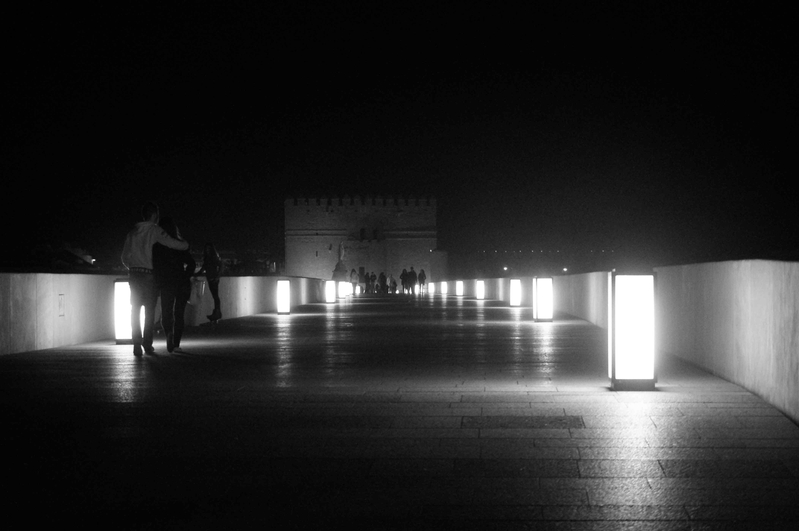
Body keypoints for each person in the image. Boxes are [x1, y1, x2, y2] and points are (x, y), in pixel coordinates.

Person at [121, 201, 189, 356]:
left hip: (134, 274)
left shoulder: (132, 233)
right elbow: (172, 243)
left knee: (135, 309)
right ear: (154, 215)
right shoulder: (154, 230)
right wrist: (185, 244)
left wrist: (132, 267)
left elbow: (124, 257)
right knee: (149, 311)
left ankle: (136, 344)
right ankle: (147, 344)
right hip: (149, 275)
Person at [153, 217, 195, 353]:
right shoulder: (179, 245)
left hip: (166, 282)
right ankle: (176, 343)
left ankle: (169, 334)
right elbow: (192, 263)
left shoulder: (157, 246)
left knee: (166, 312)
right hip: (181, 282)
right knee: (179, 313)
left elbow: (155, 266)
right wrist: (185, 276)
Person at [195, 243, 224, 322]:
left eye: (209, 249)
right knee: (215, 296)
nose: (207, 250)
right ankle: (217, 312)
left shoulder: (212, 258)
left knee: (215, 296)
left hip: (213, 279)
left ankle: (217, 312)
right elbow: (203, 269)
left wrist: (217, 277)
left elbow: (221, 266)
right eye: (206, 249)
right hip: (211, 278)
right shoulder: (209, 258)